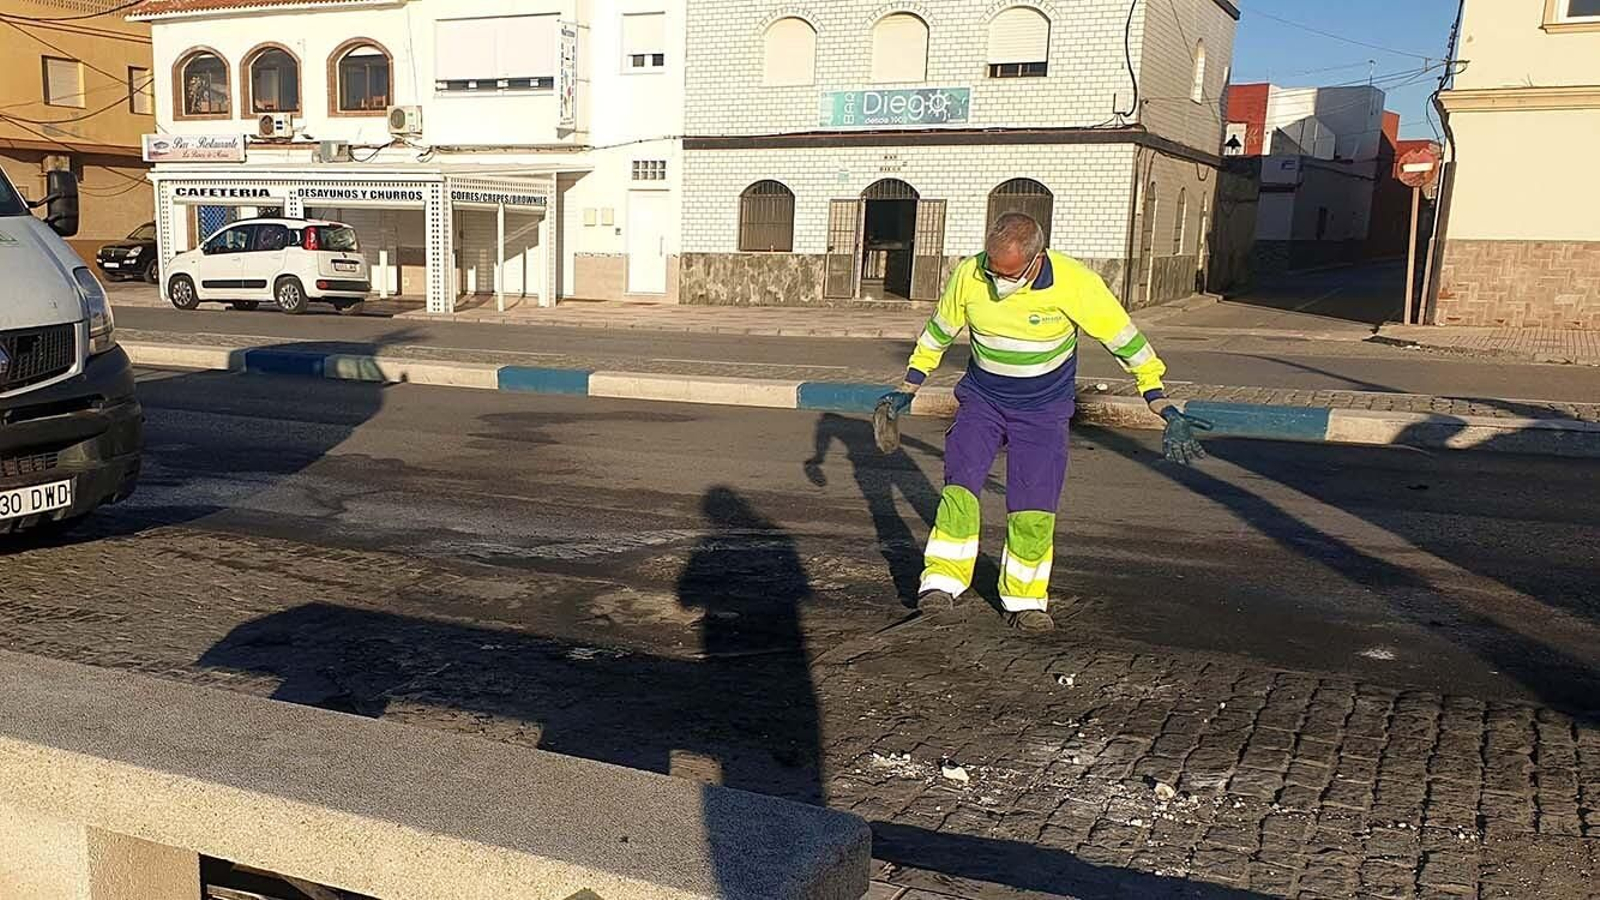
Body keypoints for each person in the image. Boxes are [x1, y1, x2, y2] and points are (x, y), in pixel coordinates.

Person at [875, 212, 1208, 632]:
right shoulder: (969, 274)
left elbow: (1124, 340)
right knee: (960, 487)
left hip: (1043, 411)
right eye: (993, 272)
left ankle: (1025, 599)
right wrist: (909, 386)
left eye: (1009, 275)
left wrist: (1158, 398)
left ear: (1037, 259)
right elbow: (939, 331)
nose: (999, 284)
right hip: (982, 400)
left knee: (1033, 506)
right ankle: (941, 582)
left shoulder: (1075, 282)